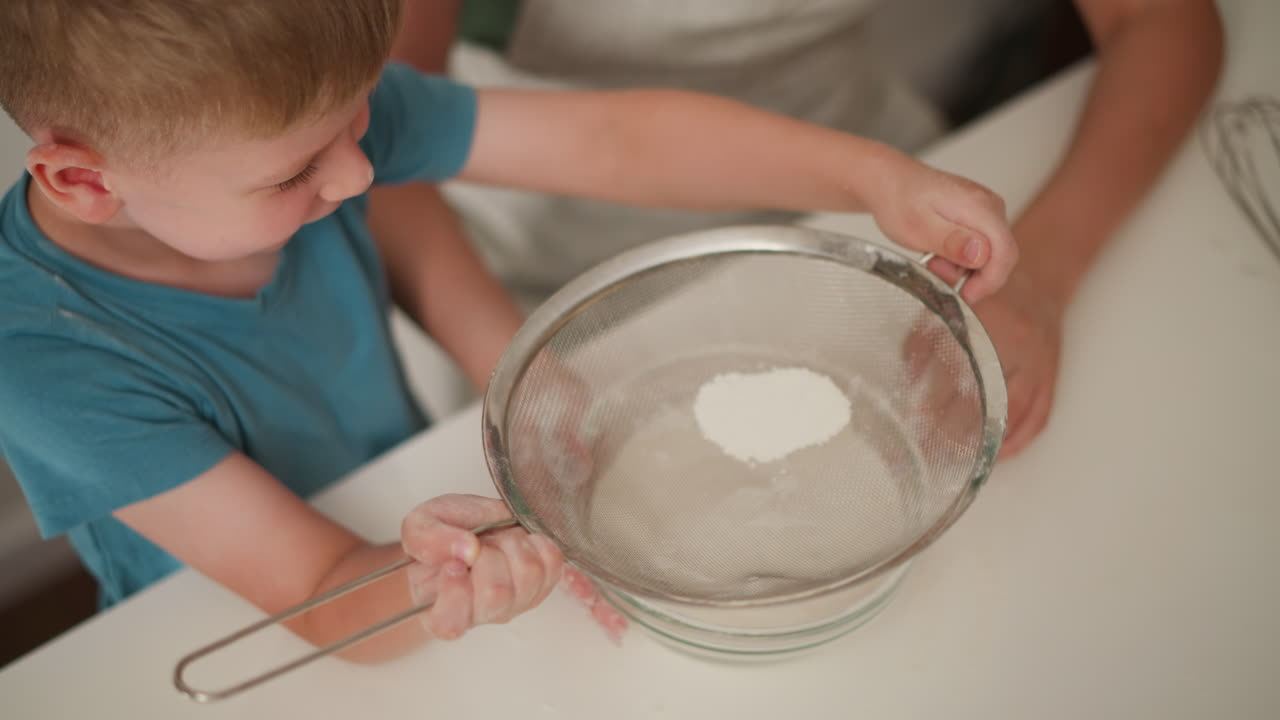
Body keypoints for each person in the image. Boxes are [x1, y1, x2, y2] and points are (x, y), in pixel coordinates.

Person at [0, 0, 1016, 655]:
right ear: (85, 181)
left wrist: (871, 177)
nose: (357, 175)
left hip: (393, 492)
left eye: (362, 124)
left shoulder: (285, 123)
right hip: (240, 619)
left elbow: (616, 141)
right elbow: (314, 587)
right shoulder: (43, 364)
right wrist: (436, 579)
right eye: (297, 173)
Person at [391, 0, 1224, 459]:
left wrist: (1036, 277)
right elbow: (383, 141)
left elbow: (1165, 20)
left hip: (864, 220)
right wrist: (515, 365)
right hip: (537, 283)